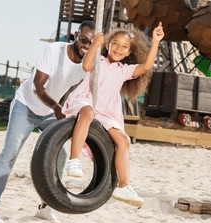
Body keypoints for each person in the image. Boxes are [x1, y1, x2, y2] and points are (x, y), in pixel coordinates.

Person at [0, 21, 96, 223]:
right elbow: (38, 86)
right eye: (84, 40)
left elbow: (71, 91)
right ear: (77, 35)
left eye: (91, 43)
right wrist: (56, 108)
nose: (86, 46)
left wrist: (64, 109)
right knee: (10, 152)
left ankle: (45, 206)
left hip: (51, 111)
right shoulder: (54, 50)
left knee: (60, 153)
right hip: (25, 105)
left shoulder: (86, 67)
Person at [62, 23, 165, 207]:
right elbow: (86, 66)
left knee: (124, 140)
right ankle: (74, 159)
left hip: (106, 112)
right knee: (87, 112)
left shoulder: (123, 70)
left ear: (128, 53)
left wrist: (155, 41)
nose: (119, 48)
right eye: (115, 43)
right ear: (108, 45)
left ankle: (123, 185)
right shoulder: (97, 61)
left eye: (124, 47)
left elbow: (147, 66)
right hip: (86, 102)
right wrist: (95, 44)